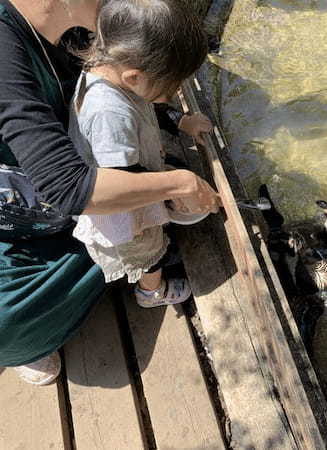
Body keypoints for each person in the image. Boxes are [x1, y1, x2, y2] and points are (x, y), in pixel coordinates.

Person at [0, 0, 220, 385]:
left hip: (64, 180)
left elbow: (133, 95)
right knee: (127, 244)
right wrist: (179, 183)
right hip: (21, 206)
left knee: (126, 230)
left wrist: (174, 119)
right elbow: (71, 188)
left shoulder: (94, 32)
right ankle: (31, 335)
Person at [70, 0, 212, 308]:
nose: (173, 94)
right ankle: (152, 291)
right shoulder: (110, 114)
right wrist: (170, 193)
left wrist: (181, 120)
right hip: (123, 210)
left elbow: (147, 104)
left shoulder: (109, 68)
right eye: (170, 88)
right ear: (135, 77)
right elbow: (122, 181)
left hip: (132, 170)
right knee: (148, 251)